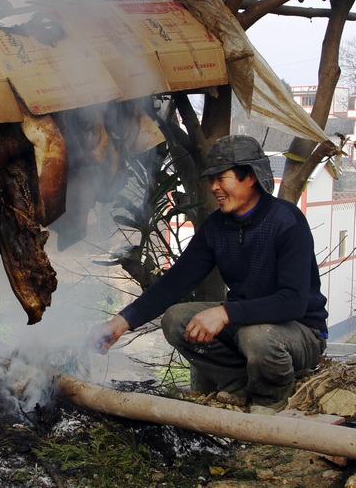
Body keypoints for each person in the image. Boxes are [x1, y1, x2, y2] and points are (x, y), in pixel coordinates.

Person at [95, 134, 328, 412]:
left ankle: (271, 399)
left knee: (257, 336)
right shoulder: (216, 227)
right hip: (247, 327)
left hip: (300, 332)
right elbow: (175, 282)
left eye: (222, 178)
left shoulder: (286, 222)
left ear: (250, 177)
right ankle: (240, 385)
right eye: (211, 179)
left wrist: (226, 313)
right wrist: (121, 323)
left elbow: (293, 301)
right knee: (177, 320)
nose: (215, 187)